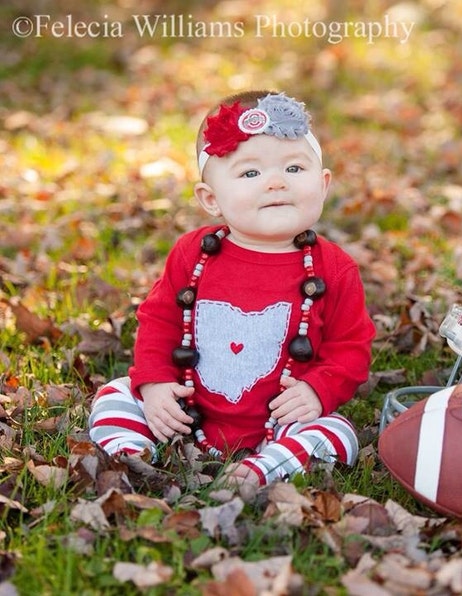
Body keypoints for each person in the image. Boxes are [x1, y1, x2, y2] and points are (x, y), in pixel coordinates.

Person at [88, 90, 375, 490]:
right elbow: (159, 321)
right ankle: (130, 456)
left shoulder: (334, 268)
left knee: (338, 434)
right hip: (188, 412)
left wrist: (317, 389)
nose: (276, 183)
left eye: (294, 168)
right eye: (250, 174)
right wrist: (154, 386)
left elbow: (351, 345)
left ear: (323, 185)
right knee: (115, 394)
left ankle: (265, 467)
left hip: (282, 419)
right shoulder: (193, 255)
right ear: (211, 199)